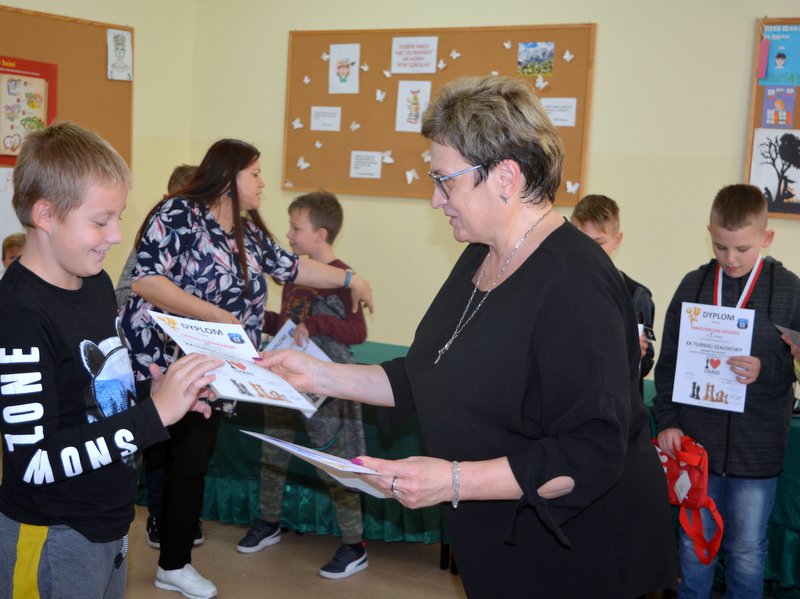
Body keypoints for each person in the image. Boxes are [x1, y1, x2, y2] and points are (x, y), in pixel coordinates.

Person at [258, 75, 678, 598]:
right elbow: (428, 372)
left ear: (505, 177)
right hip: (502, 541)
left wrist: (451, 480)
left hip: (579, 556)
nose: (436, 200)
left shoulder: (575, 281)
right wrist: (320, 375)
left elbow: (587, 454)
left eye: (445, 181)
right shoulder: (480, 253)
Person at [119, 138, 373, 599]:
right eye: (254, 173)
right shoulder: (178, 213)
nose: (262, 182)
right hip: (159, 362)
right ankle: (121, 552)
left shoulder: (248, 230)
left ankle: (173, 564)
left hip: (214, 370)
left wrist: (352, 278)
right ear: (227, 175)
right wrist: (214, 314)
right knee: (146, 459)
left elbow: (292, 268)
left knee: (190, 463)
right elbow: (146, 280)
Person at [0, 122, 221, 599]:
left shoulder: (96, 282)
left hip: (109, 522)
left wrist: (153, 394)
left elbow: (93, 397)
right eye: (101, 222)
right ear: (45, 215)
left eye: (118, 218)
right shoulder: (20, 316)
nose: (117, 236)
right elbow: (35, 461)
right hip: (54, 535)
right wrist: (154, 415)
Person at [653, 183, 800, 598]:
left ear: (767, 238)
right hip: (697, 449)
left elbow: (794, 365)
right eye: (721, 247)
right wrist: (668, 421)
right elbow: (669, 363)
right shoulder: (693, 286)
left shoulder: (789, 290)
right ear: (709, 234)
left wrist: (766, 369)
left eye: (742, 249)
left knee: (747, 550)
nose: (731, 258)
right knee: (692, 544)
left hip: (758, 451)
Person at [235, 190, 368, 579]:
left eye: (296, 228)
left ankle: (354, 544)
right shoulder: (293, 276)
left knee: (333, 459)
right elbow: (290, 325)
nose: (289, 235)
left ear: (320, 234)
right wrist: (256, 317)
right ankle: (268, 521)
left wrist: (317, 324)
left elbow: (357, 331)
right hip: (284, 374)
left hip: (324, 382)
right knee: (273, 450)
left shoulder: (343, 276)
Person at [115, 164, 202, 551]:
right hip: (147, 362)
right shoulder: (149, 243)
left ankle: (182, 519)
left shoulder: (205, 247)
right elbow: (121, 294)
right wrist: (161, 301)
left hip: (186, 362)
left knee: (186, 449)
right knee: (154, 448)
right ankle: (155, 517)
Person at [571, 194, 655, 394]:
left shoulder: (636, 295)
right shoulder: (558, 288)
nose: (589, 251)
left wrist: (637, 354)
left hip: (619, 404)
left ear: (617, 240)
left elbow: (644, 366)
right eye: (581, 241)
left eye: (598, 243)